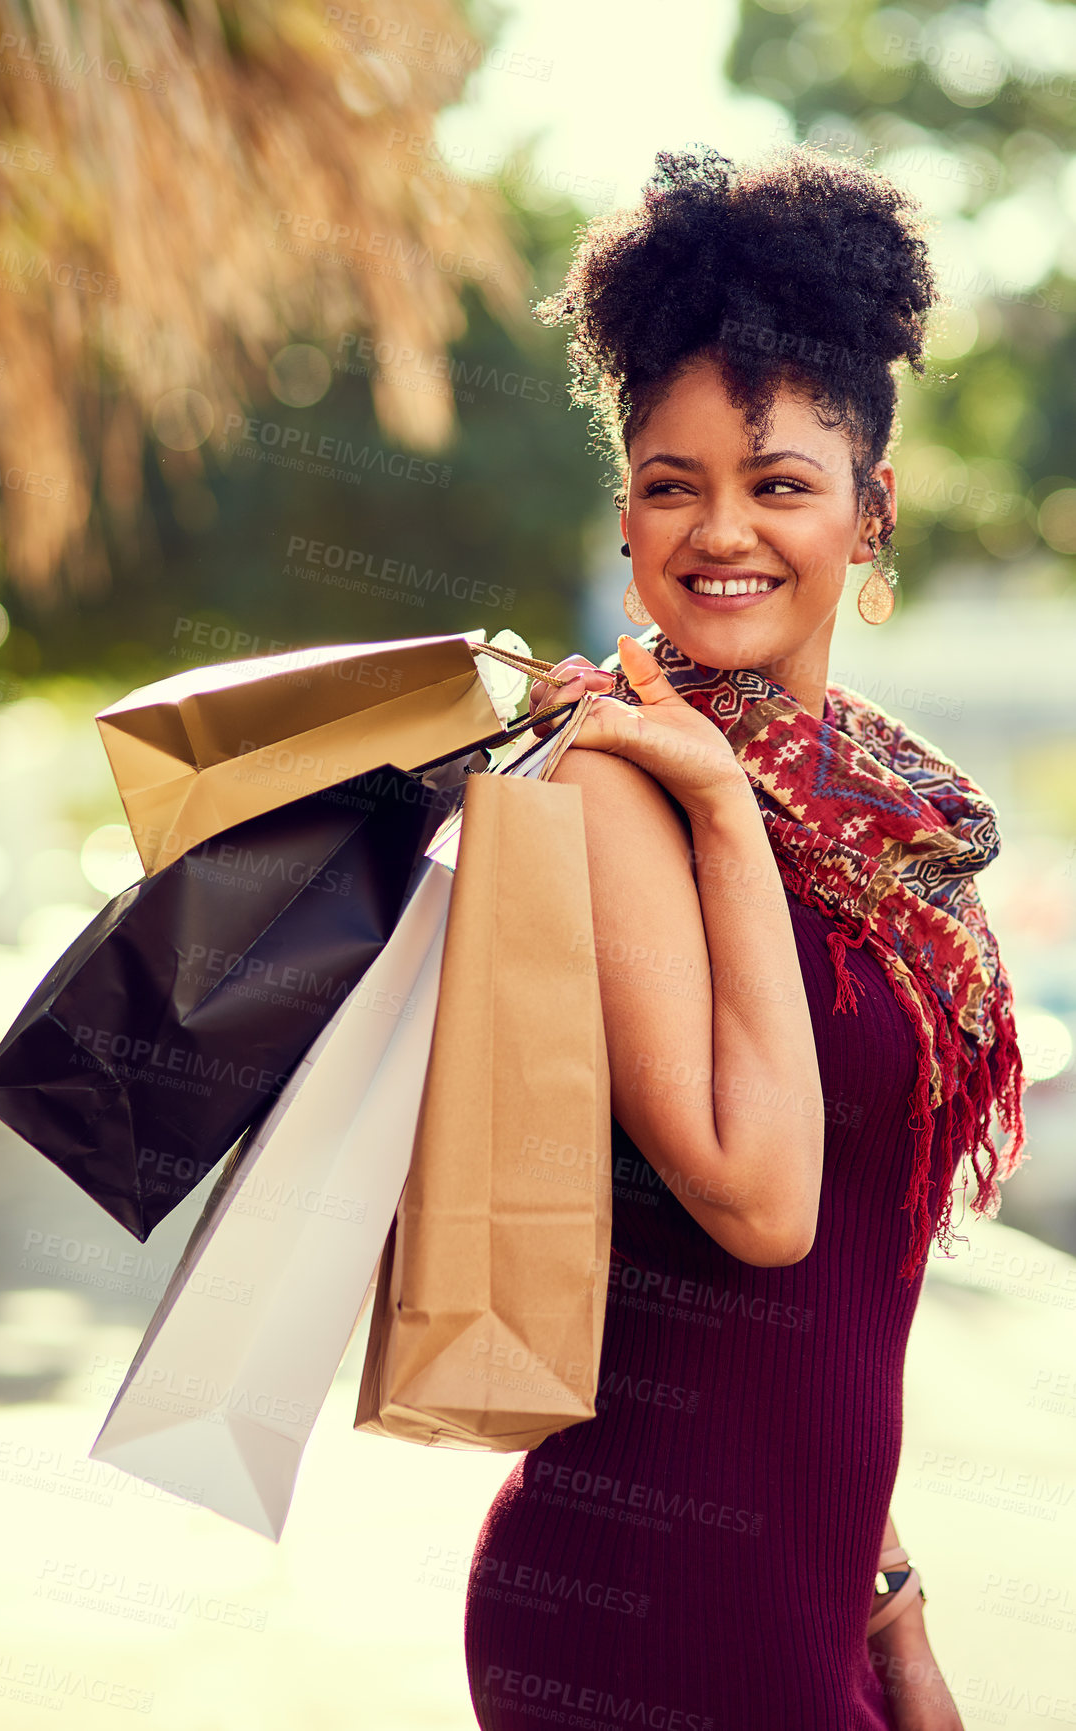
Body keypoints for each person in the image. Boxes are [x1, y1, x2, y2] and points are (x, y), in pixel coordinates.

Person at [463, 145, 1026, 1731]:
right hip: (645, 1612)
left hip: (807, 1604)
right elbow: (762, 1203)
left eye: (780, 482)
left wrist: (895, 1620)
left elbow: (838, 1306)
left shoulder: (876, 804)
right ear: (626, 508)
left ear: (872, 508)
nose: (722, 531)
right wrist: (717, 810)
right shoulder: (621, 780)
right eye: (670, 481)